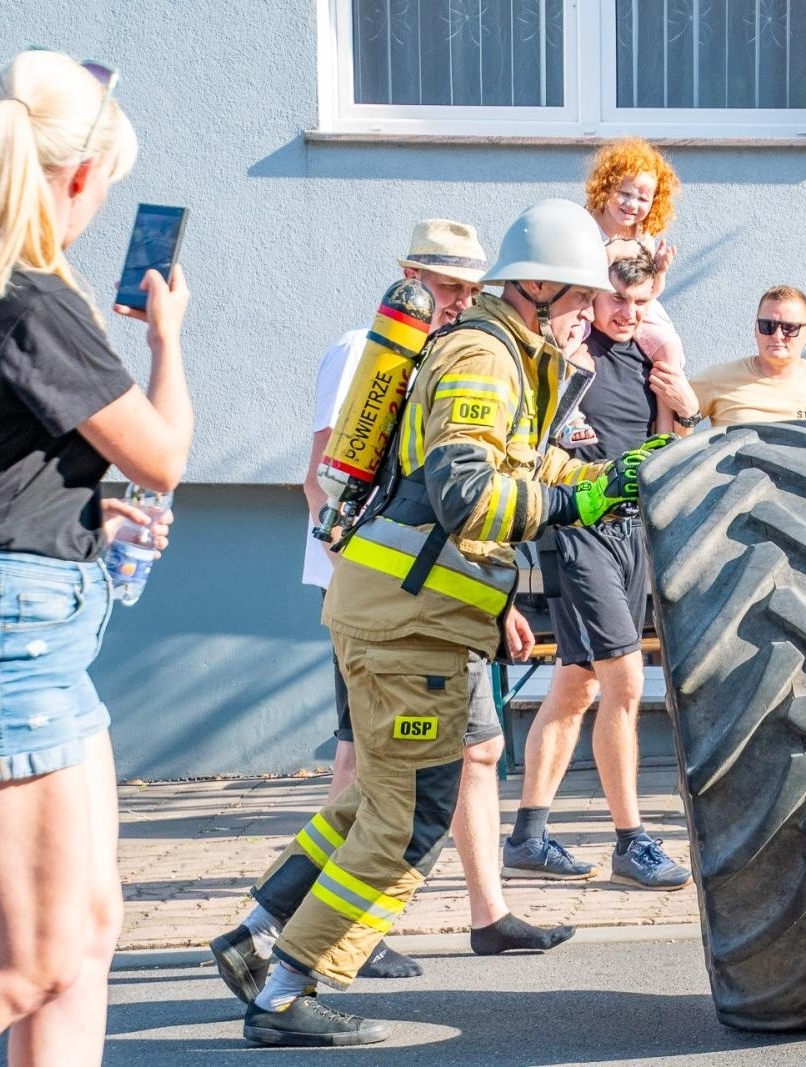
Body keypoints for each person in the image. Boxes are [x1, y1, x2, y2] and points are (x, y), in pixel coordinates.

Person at [214, 199, 670, 1047]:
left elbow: (520, 464)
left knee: (372, 805)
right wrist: (580, 499)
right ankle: (286, 991)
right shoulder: (480, 358)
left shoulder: (513, 358)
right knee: (409, 817)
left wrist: (612, 472)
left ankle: (256, 936)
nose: (585, 313)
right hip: (406, 626)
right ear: (533, 286)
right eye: (575, 296)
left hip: (412, 616)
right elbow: (467, 493)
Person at [221, 219, 558, 990]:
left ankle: (258, 932)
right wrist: (375, 576)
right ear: (409, 274)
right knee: (389, 795)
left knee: (398, 779)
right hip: (400, 610)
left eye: (474, 287)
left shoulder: (445, 350)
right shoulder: (370, 351)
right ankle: (304, 959)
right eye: (447, 285)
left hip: (424, 603)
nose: (462, 299)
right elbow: (330, 475)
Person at [0, 49, 193, 1065]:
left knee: (92, 931)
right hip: (17, 644)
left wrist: (85, 514)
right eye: (104, 185)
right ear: (76, 177)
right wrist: (168, 337)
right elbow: (165, 451)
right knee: (31, 960)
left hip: (39, 625)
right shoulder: (30, 295)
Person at [503, 247, 694, 890]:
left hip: (631, 532)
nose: (629, 315)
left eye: (641, 305)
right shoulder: (566, 360)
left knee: (577, 684)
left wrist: (686, 409)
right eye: (617, 301)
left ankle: (528, 835)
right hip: (577, 529)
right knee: (625, 681)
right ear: (589, 296)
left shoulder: (649, 357)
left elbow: (670, 447)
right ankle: (630, 840)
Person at [681, 285, 806, 478]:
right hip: (734, 509)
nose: (777, 336)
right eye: (767, 326)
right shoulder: (718, 378)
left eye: (789, 328)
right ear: (755, 329)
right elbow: (675, 428)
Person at [584, 138, 698, 435]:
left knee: (670, 350)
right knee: (570, 347)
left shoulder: (643, 238)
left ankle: (664, 427)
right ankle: (570, 415)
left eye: (643, 199)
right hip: (586, 302)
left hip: (643, 307)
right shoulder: (586, 227)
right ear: (605, 187)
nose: (631, 205)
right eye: (624, 193)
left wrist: (659, 271)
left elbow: (647, 293)